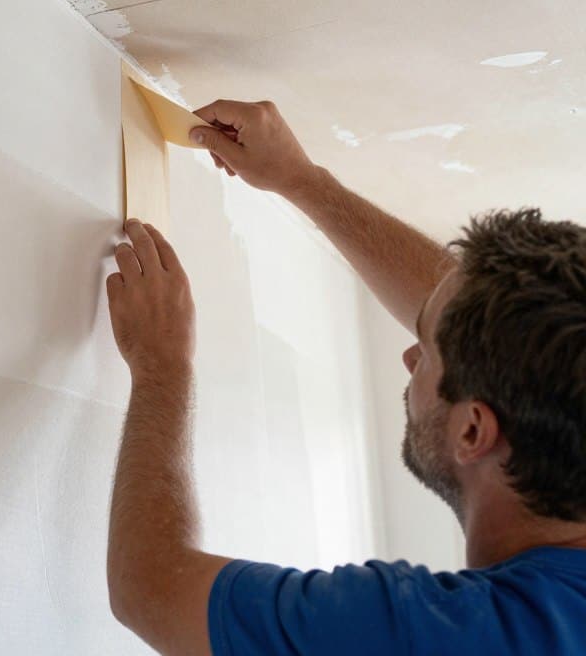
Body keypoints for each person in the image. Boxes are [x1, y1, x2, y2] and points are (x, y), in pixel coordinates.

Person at [105, 98, 586, 655]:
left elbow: (151, 587)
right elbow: (492, 324)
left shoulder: (442, 634)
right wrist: (304, 181)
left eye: (427, 352)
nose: (410, 357)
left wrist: (162, 370)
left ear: (474, 431)